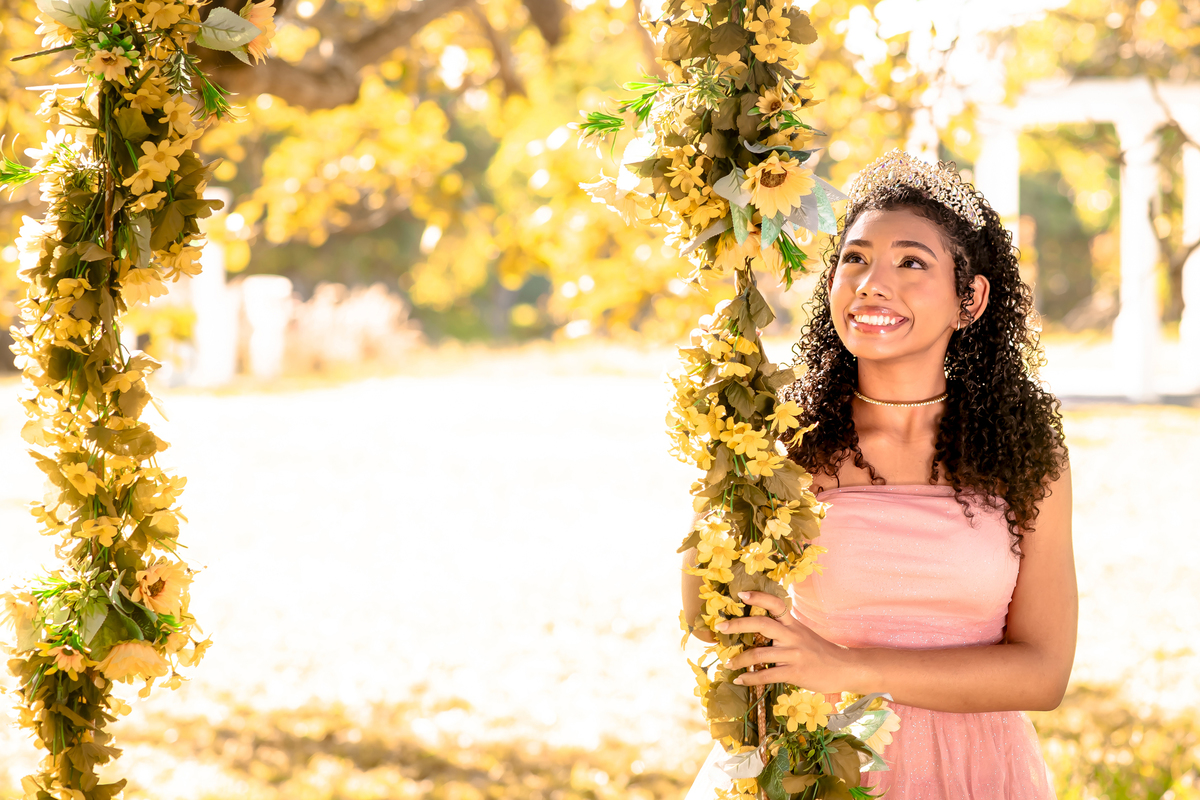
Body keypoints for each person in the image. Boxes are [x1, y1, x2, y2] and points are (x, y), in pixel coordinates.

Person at [680, 150, 1076, 798]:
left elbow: (1044, 675)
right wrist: (722, 460)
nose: (870, 283)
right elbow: (708, 615)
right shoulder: (781, 441)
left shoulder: (1027, 456)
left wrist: (844, 666)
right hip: (815, 761)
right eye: (855, 259)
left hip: (977, 770)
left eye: (911, 262)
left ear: (969, 298)